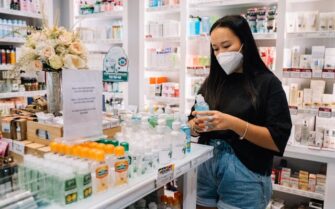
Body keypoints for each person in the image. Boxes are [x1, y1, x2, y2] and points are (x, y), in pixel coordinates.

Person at [188, 15, 292, 209]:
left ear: (245, 43)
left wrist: (232, 123)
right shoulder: (212, 82)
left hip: (245, 172)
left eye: (226, 46)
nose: (220, 54)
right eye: (216, 48)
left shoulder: (268, 83)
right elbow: (191, 123)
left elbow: (277, 140)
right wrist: (195, 126)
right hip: (206, 163)